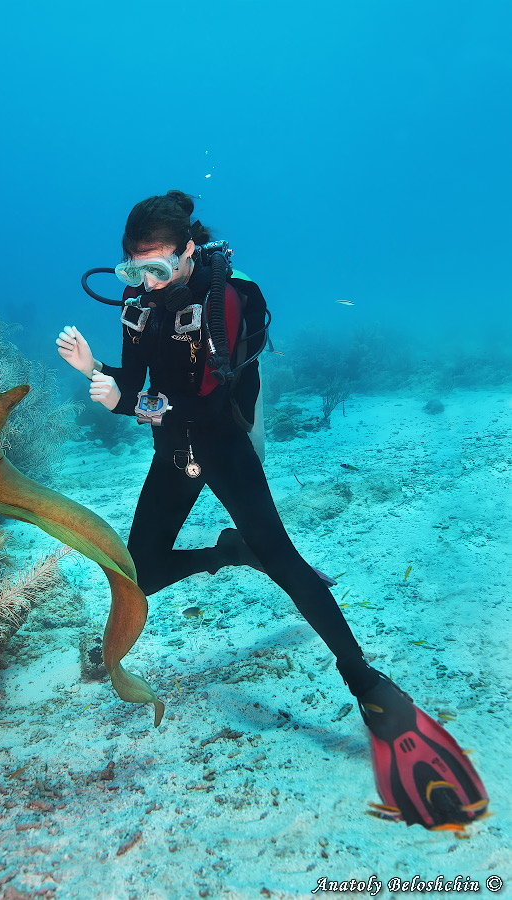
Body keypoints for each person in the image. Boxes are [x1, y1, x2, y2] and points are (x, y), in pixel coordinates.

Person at [56, 190, 487, 830]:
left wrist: (121, 402)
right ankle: (228, 553)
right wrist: (100, 368)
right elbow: (143, 373)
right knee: (138, 573)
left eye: (157, 268)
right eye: (132, 271)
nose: (145, 283)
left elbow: (199, 402)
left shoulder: (227, 300)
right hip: (173, 450)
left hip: (223, 443)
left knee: (283, 559)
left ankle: (366, 682)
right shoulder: (139, 298)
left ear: (189, 252)